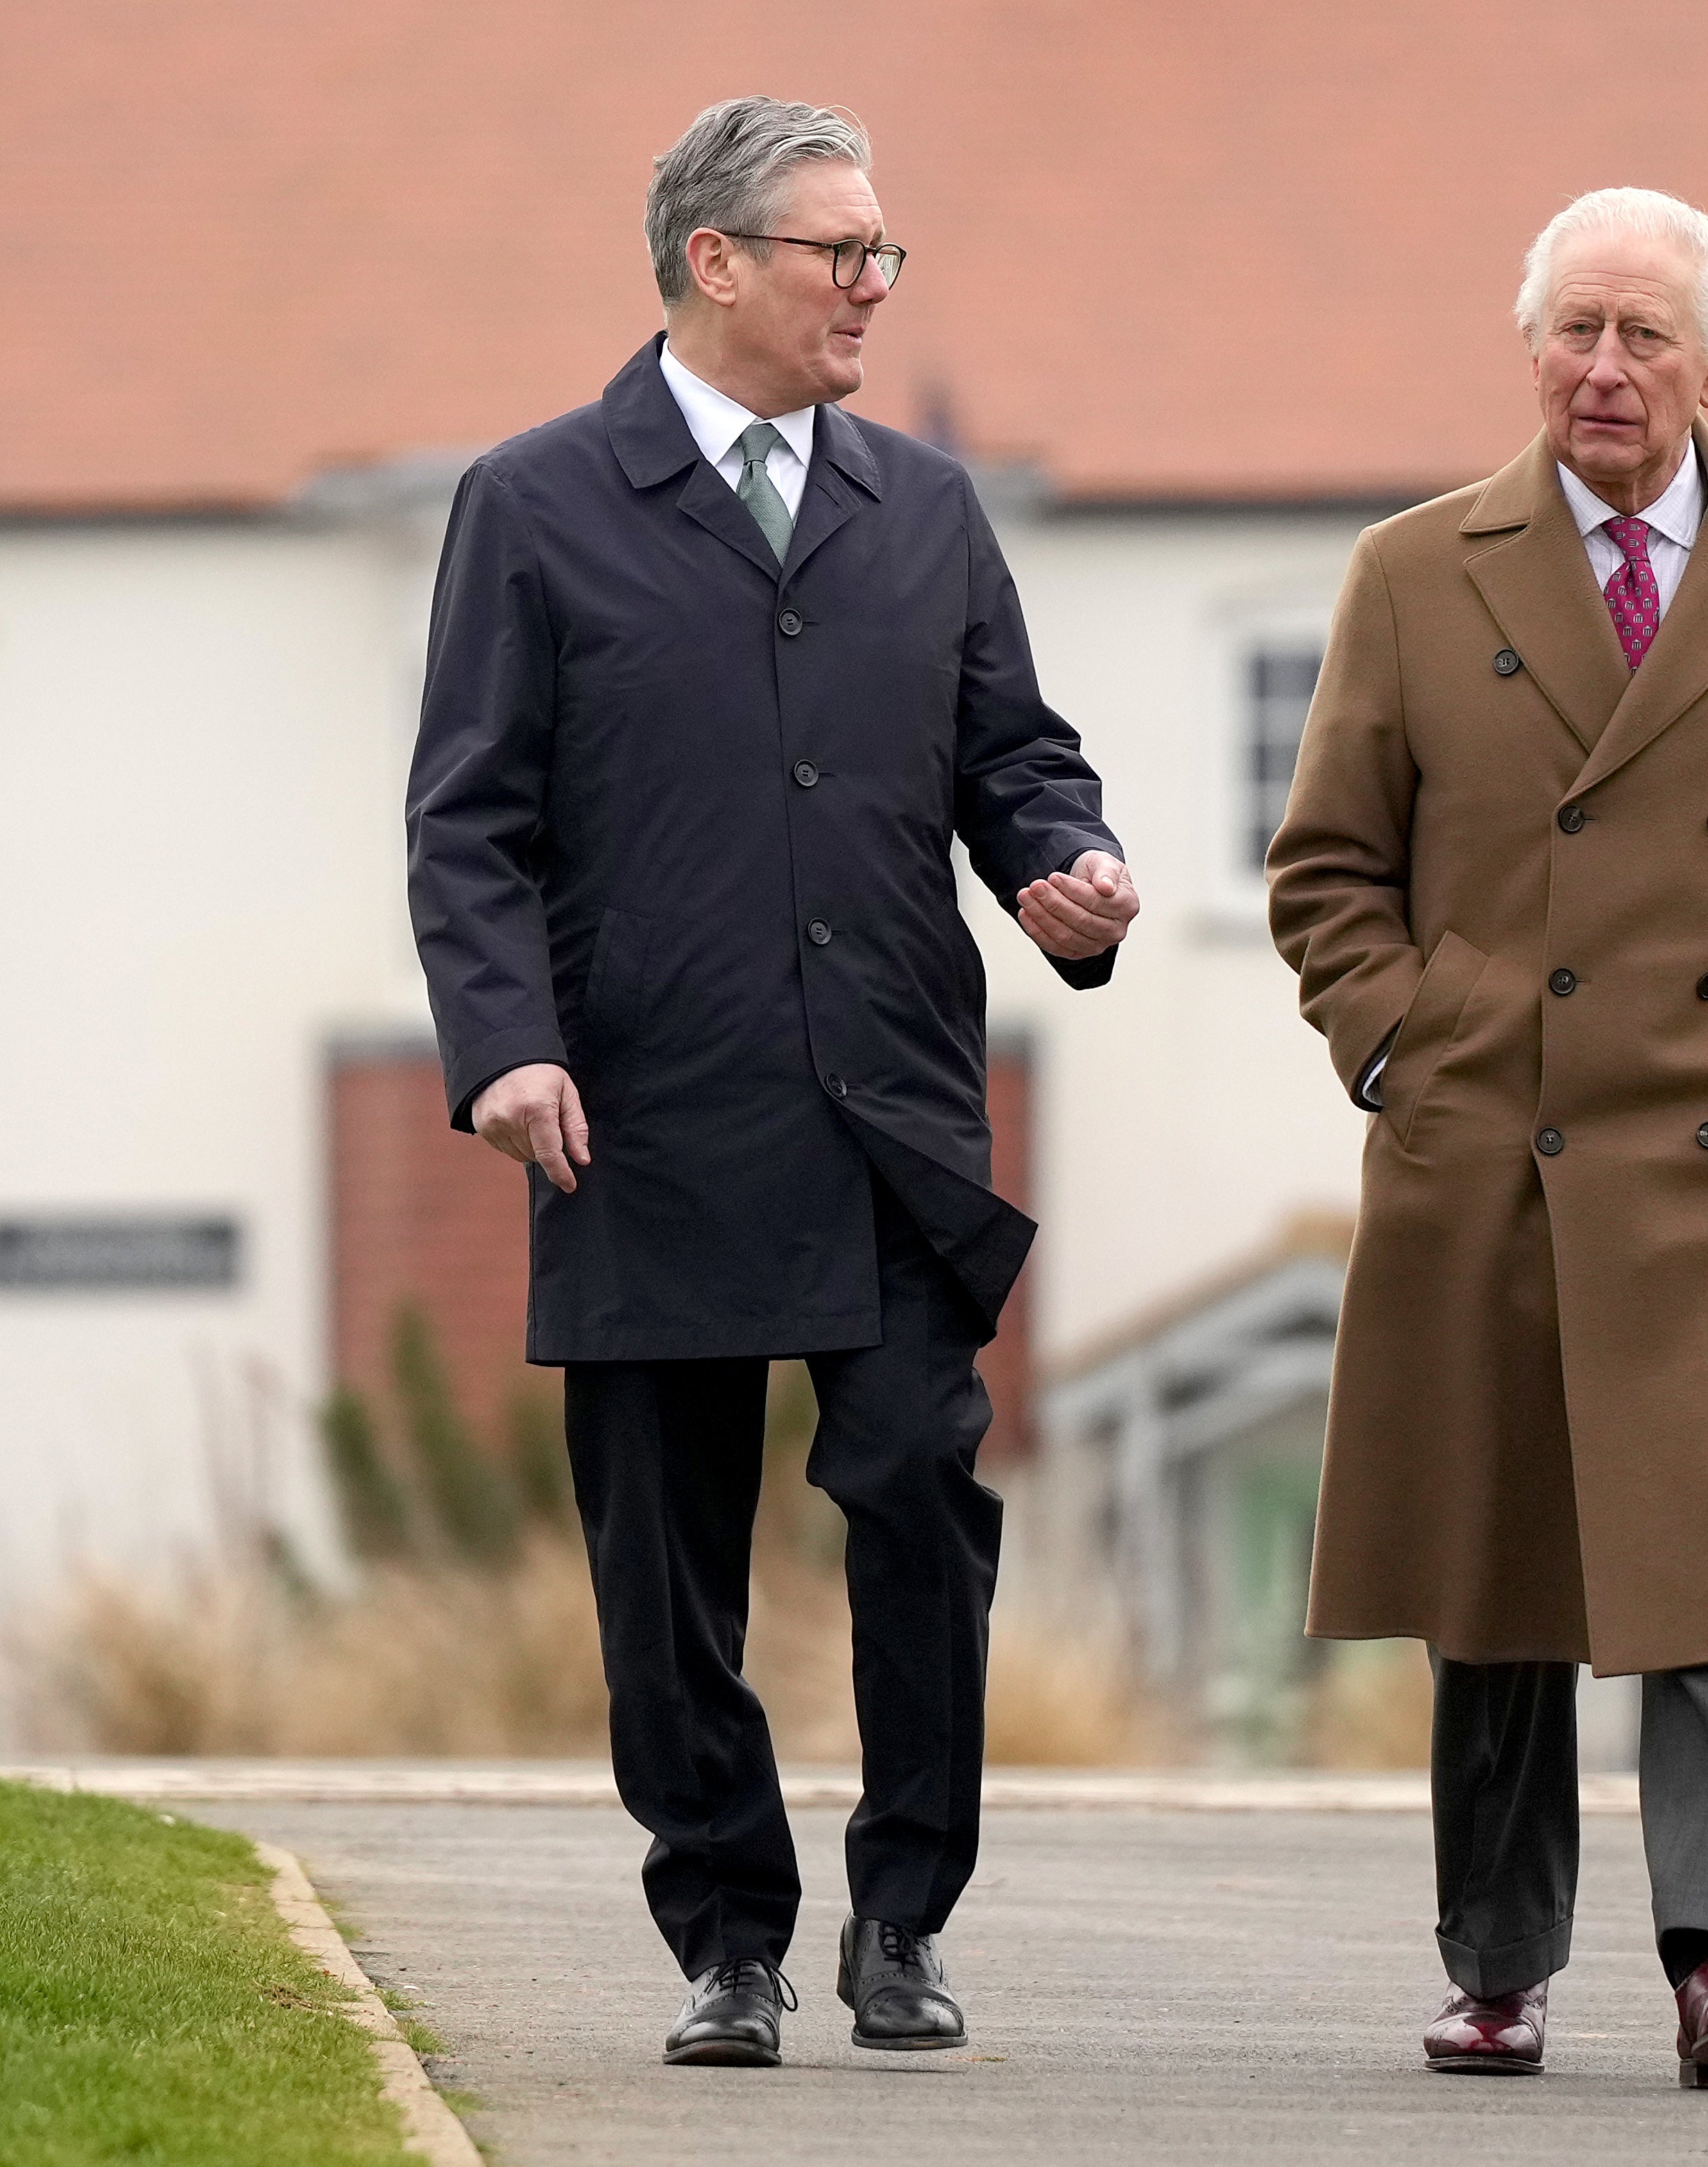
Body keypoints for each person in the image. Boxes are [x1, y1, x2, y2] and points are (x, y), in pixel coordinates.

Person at [405, 95, 1137, 2068]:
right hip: (636, 1113)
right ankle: (729, 1931)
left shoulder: (930, 505)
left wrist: (1068, 870)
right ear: (714, 261)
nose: (872, 291)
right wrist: (506, 1046)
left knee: (917, 1490)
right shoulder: (536, 502)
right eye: (841, 254)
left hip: (890, 1110)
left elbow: (1017, 761)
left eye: (884, 255)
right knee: (666, 1552)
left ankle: (904, 1914)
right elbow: (467, 825)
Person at [1267, 187, 1708, 2090]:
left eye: (1646, 335)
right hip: (1498, 1142)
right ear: (1530, 350)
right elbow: (1325, 869)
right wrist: (1415, 1040)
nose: (1605, 368)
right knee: (1500, 1576)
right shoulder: (1416, 571)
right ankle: (1499, 1966)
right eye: (1575, 328)